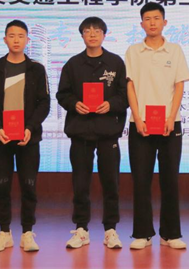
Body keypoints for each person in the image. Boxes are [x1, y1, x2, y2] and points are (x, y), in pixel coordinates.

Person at [57, 16, 128, 250]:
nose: (92, 34)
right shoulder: (73, 64)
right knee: (80, 183)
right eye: (87, 31)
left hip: (108, 131)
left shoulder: (115, 63)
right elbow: (62, 94)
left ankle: (110, 230)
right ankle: (81, 229)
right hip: (80, 131)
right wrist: (74, 104)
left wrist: (111, 104)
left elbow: (125, 96)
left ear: (104, 35)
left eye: (97, 30)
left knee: (111, 183)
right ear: (82, 36)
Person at [125, 2, 189, 250]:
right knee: (141, 180)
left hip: (169, 125)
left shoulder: (175, 50)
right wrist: (137, 117)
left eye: (156, 18)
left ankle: (170, 234)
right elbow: (130, 85)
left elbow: (179, 85)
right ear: (141, 24)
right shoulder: (133, 51)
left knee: (170, 180)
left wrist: (171, 117)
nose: (152, 23)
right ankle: (142, 233)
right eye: (147, 19)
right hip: (140, 125)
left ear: (165, 22)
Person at [0, 20, 50, 252]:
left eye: (21, 36)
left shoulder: (37, 69)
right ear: (5, 40)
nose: (16, 40)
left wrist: (30, 127)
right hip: (0, 137)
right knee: (2, 185)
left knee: (29, 186)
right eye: (12, 35)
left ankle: (27, 232)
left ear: (28, 40)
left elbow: (44, 103)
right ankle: (4, 232)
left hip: (28, 138)